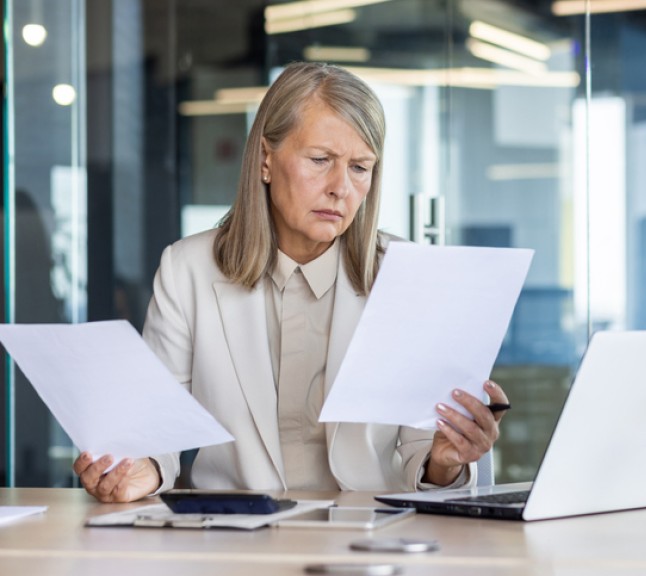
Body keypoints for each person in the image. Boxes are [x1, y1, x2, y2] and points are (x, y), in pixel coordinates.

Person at [73, 62, 509, 503]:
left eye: (360, 167)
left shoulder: (406, 275)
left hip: (369, 536)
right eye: (320, 160)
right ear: (266, 159)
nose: (341, 187)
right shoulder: (187, 269)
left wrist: (446, 460)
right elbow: (156, 429)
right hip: (235, 537)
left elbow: (422, 453)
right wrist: (139, 469)